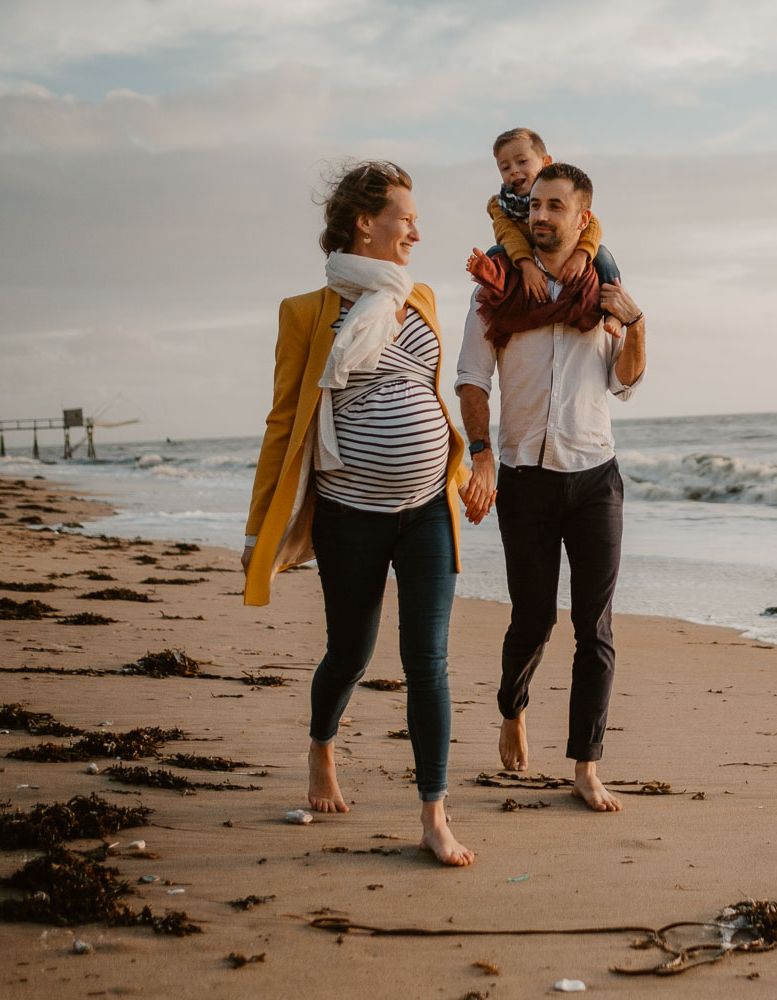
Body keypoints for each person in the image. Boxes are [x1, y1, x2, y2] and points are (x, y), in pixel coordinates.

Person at [242, 160, 476, 865]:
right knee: (351, 652)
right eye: (404, 216)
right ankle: (322, 744)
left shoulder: (424, 297)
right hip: (350, 512)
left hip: (428, 506)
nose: (416, 229)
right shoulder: (307, 313)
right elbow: (285, 421)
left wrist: (472, 463)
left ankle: (434, 814)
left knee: (426, 660)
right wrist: (260, 528)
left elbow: (435, 389)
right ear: (363, 223)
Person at [455, 162, 647, 812]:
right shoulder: (499, 288)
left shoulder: (606, 291)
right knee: (532, 620)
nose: (539, 215)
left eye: (554, 206)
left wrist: (638, 324)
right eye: (533, 205)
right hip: (525, 479)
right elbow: (473, 379)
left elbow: (624, 382)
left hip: (596, 478)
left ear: (581, 218)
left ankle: (586, 766)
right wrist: (481, 453)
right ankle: (513, 708)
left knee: (594, 628)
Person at [471, 127, 623, 333]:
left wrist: (582, 254)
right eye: (505, 167)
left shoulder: (566, 194)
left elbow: (593, 225)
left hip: (564, 251)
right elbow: (509, 235)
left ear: (545, 163)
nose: (514, 170)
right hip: (523, 254)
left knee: (603, 254)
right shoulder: (500, 204)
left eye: (522, 162)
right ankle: (496, 292)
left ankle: (613, 314)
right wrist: (527, 265)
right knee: (495, 254)